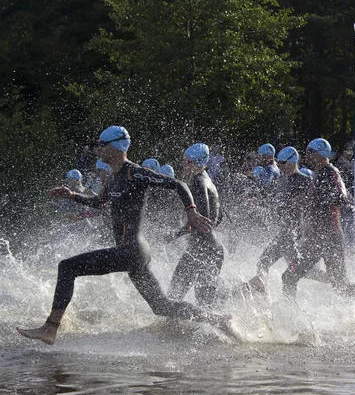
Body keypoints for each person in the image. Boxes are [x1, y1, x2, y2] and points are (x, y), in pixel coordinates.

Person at [16, 126, 239, 345]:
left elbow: (178, 184)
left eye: (102, 146)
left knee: (67, 267)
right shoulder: (114, 176)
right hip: (134, 253)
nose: (99, 150)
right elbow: (99, 202)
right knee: (161, 305)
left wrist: (191, 212)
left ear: (115, 147)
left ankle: (50, 328)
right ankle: (218, 320)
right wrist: (72, 195)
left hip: (131, 250)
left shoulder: (135, 172)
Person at [280, 138, 355, 317]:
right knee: (289, 277)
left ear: (322, 154)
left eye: (311, 152)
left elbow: (343, 197)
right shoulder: (316, 174)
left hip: (331, 239)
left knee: (341, 287)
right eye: (307, 152)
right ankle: (289, 316)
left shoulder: (330, 172)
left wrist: (320, 200)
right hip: (314, 240)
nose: (307, 156)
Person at [245, 146, 327, 292]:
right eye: (279, 162)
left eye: (282, 163)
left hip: (295, 234)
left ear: (292, 161)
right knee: (271, 263)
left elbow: (314, 208)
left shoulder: (305, 180)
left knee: (278, 266)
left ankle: (335, 280)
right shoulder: (282, 181)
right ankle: (262, 290)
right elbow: (277, 203)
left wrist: (308, 229)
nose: (280, 166)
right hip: (286, 232)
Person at [167, 143, 225, 308]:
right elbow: (217, 219)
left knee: (173, 299)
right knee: (203, 306)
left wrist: (176, 234)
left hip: (202, 251)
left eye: (188, 162)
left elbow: (202, 221)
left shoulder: (198, 182)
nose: (184, 166)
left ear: (198, 163)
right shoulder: (208, 181)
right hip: (209, 250)